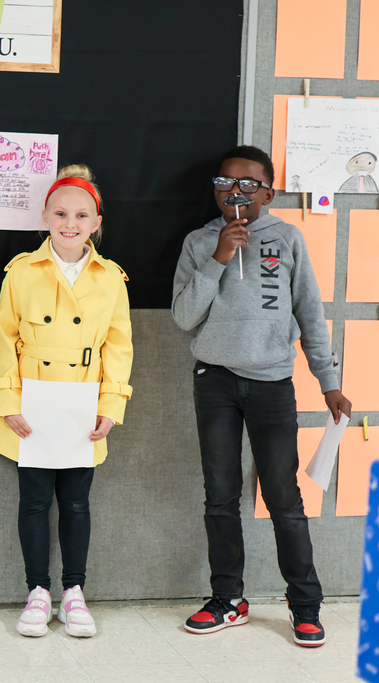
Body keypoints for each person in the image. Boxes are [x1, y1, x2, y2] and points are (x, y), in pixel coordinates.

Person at [172, 145, 351, 648]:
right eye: (226, 182)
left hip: (273, 383)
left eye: (248, 184)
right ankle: (228, 599)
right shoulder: (198, 243)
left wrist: (329, 382)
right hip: (216, 381)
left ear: (268, 193)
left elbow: (311, 315)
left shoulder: (288, 239)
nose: (236, 192)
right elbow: (184, 316)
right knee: (220, 495)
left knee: (283, 496)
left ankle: (305, 605)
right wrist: (220, 257)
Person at [0, 165, 133, 639]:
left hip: (82, 404)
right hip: (33, 402)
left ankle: (74, 592)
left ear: (96, 221)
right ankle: (37, 591)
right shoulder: (22, 272)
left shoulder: (110, 278)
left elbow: (119, 346)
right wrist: (8, 400)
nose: (70, 223)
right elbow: (3, 339)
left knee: (77, 503)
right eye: (61, 212)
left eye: (81, 215)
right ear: (45, 215)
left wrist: (112, 405)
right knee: (33, 501)